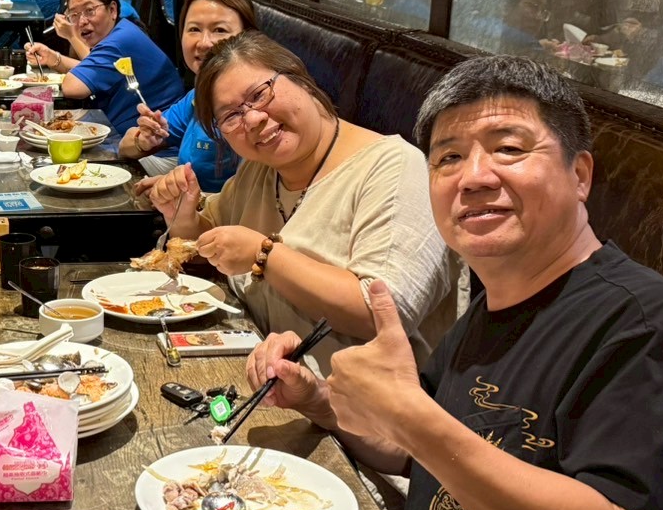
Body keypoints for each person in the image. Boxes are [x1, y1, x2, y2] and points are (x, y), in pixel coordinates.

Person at [246, 55, 663, 510]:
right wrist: (321, 401)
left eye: (509, 149)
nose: (473, 176)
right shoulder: (493, 307)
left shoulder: (650, 325)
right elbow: (426, 456)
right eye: (448, 157)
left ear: (580, 174)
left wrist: (408, 415)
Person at [150, 31, 456, 367]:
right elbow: (211, 246)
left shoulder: (394, 168)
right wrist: (183, 217)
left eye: (259, 94)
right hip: (257, 378)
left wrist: (263, 254)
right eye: (231, 116)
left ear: (302, 80)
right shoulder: (259, 169)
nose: (253, 119)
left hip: (357, 398)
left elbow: (383, 312)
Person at [23, 0, 180, 135]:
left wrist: (71, 36)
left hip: (157, 137)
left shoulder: (121, 36)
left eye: (89, 10)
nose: (82, 20)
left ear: (112, 10)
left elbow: (73, 86)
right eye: (74, 14)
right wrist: (53, 58)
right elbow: (100, 69)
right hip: (137, 131)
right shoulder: (119, 29)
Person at [121, 0, 255, 192]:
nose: (204, 43)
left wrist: (189, 197)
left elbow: (255, 198)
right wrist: (144, 140)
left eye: (219, 30)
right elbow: (125, 148)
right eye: (194, 29)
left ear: (248, 37)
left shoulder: (256, 108)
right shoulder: (198, 96)